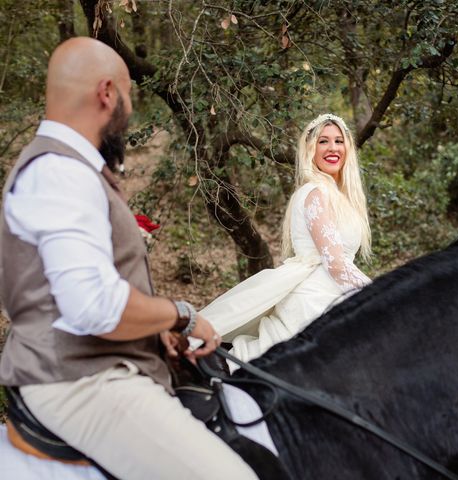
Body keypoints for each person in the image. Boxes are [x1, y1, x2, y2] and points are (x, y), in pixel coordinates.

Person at [0, 37, 259, 480]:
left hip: (94, 365)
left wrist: (155, 333)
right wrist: (181, 316)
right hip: (81, 381)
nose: (129, 109)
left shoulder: (67, 168)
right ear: (106, 93)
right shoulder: (60, 173)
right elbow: (95, 308)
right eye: (128, 95)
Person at [199, 113, 372, 370]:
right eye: (323, 141)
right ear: (310, 149)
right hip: (314, 296)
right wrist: (377, 291)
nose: (333, 148)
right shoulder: (316, 192)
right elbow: (335, 263)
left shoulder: (342, 197)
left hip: (333, 289)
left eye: (338, 141)